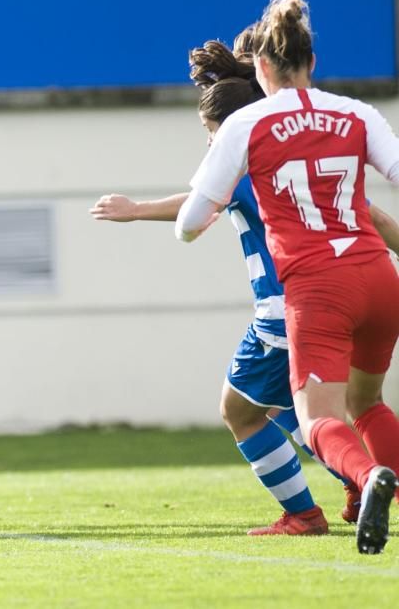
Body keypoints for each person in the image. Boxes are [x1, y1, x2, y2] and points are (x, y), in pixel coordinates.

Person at [92, 38, 399, 536]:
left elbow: (197, 206)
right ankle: (357, 481)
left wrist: (134, 211)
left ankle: (306, 513)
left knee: (239, 410)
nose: (210, 144)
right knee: (297, 406)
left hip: (293, 307)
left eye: (210, 133)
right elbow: (376, 216)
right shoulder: (311, 148)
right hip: (363, 286)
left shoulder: (248, 157)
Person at [175, 0, 399, 554]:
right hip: (377, 274)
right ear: (312, 62)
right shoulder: (357, 112)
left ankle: (367, 478)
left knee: (316, 419)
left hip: (318, 289)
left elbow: (189, 223)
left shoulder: (245, 124)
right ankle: (377, 484)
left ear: (262, 66)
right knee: (367, 403)